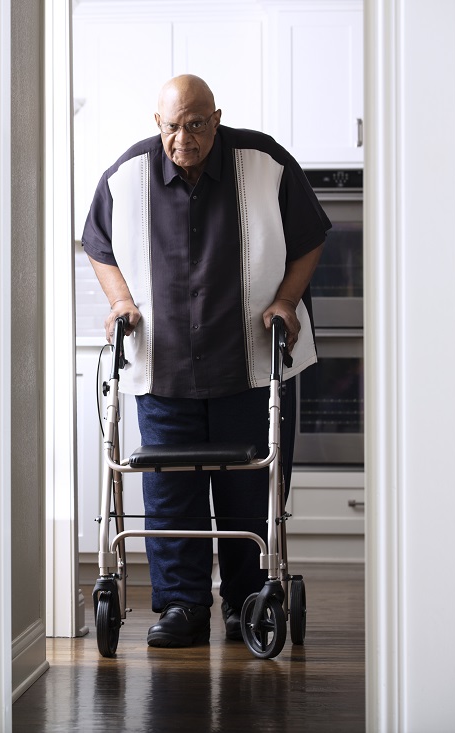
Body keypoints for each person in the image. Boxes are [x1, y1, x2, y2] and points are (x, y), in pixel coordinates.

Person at [81, 74, 331, 647]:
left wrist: (286, 300)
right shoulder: (127, 175)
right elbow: (98, 243)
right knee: (172, 495)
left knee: (248, 492)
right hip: (164, 367)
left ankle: (248, 603)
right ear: (158, 124)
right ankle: (182, 607)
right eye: (173, 126)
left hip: (249, 363)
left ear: (216, 119)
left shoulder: (264, 162)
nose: (183, 138)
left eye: (195, 124)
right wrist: (120, 301)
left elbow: (311, 236)